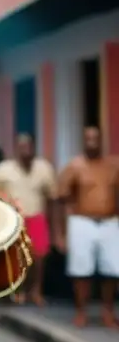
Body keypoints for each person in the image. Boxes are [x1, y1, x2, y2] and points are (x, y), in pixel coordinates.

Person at [56, 126, 119, 328]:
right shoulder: (74, 166)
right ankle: (81, 311)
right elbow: (61, 197)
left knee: (112, 269)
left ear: (102, 141)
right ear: (83, 141)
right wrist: (61, 233)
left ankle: (108, 312)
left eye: (95, 138)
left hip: (110, 222)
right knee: (81, 270)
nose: (92, 142)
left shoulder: (113, 165)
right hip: (82, 221)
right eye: (88, 138)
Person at [0, 133, 56, 305]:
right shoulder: (3, 170)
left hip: (37, 217)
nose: (25, 150)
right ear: (15, 149)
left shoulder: (44, 169)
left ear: (34, 148)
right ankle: (18, 291)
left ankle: (36, 290)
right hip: (14, 218)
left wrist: (53, 225)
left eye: (28, 146)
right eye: (21, 147)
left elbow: (51, 198)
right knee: (17, 257)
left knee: (39, 257)